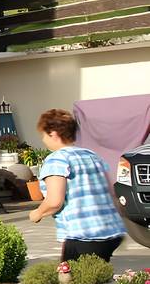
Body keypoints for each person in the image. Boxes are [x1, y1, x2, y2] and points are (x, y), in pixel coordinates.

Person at [28, 108, 125, 261]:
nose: (43, 139)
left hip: (83, 234)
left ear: (53, 133)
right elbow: (111, 191)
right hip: (111, 231)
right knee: (97, 279)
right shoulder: (91, 155)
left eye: (43, 135)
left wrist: (37, 213)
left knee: (73, 280)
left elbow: (54, 201)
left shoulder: (56, 160)